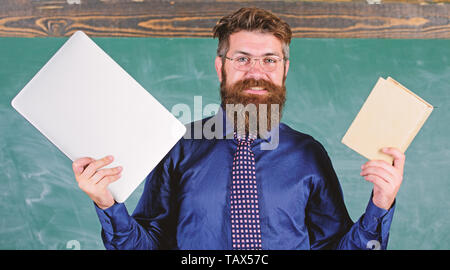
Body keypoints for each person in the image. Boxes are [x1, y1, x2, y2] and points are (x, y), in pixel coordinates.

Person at [72, 7, 405, 250]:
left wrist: (381, 203)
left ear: (284, 69)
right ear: (221, 67)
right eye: (242, 58)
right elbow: (147, 245)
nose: (256, 72)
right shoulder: (178, 147)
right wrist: (106, 202)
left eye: (269, 60)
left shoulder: (309, 154)